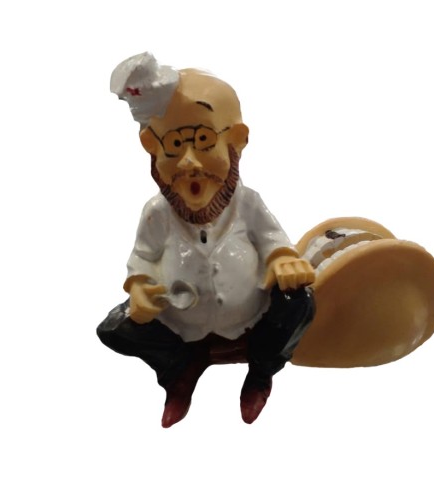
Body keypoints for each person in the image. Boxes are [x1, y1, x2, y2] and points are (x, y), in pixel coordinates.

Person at [97, 53, 315, 427]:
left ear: (236, 141)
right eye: (173, 145)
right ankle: (179, 369)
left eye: (202, 141)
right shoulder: (157, 213)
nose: (189, 163)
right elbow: (143, 257)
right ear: (152, 147)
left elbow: (271, 239)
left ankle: (261, 371)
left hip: (250, 315)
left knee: (299, 303)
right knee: (116, 329)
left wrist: (282, 259)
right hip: (182, 322)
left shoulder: (247, 203)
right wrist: (141, 289)